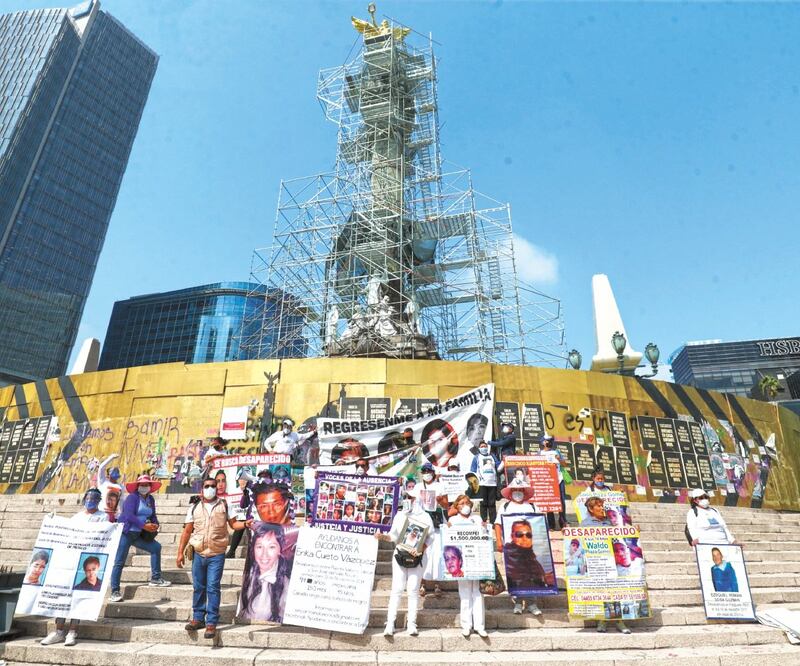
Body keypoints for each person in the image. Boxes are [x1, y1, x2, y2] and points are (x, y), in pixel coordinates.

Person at [177, 476, 251, 638]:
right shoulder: (194, 507)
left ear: (217, 488)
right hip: (198, 552)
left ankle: (211, 622)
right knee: (198, 587)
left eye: (212, 486)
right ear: (202, 489)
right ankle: (198, 618)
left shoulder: (224, 504)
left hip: (217, 553)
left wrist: (246, 523)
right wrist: (179, 553)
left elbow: (234, 524)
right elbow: (187, 531)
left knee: (212, 587)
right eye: (207, 486)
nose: (210, 488)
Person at [41, 488, 113, 647]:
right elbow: (67, 531)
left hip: (86, 560)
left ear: (99, 500)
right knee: (63, 595)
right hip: (71, 559)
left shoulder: (103, 517)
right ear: (84, 499)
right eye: (88, 497)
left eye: (94, 498)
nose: (90, 500)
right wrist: (52, 521)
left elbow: (103, 534)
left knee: (79, 596)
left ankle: (72, 632)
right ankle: (59, 631)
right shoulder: (77, 517)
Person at [376, 486, 434, 637]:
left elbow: (431, 536)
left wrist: (421, 548)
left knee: (413, 589)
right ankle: (390, 623)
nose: (408, 500)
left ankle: (412, 624)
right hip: (400, 555)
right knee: (397, 588)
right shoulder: (399, 515)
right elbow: (393, 536)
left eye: (411, 497)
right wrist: (383, 537)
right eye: (406, 497)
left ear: (417, 499)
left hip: (417, 557)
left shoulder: (425, 516)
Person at [109, 475, 171, 602]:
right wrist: (144, 525)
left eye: (146, 485)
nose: (144, 487)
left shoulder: (150, 499)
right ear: (137, 486)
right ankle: (115, 591)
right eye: (141, 485)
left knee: (156, 547)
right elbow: (128, 515)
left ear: (150, 487)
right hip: (126, 533)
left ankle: (155, 578)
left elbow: (153, 515)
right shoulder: (132, 497)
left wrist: (155, 524)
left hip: (138, 534)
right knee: (119, 562)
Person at [493, 484, 542, 616]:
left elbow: (540, 523)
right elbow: (497, 525)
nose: (518, 492)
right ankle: (518, 603)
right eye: (515, 490)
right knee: (515, 575)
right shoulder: (505, 507)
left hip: (530, 547)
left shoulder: (532, 506)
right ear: (510, 492)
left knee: (531, 574)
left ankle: (532, 604)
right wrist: (499, 541)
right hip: (512, 549)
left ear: (525, 492)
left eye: (521, 490)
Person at [447, 494, 488, 638]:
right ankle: (466, 625)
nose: (465, 506)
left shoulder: (477, 519)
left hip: (476, 559)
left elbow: (484, 536)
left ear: (471, 505)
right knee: (464, 592)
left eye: (467, 503)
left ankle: (480, 625)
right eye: (461, 503)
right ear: (456, 507)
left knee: (477, 592)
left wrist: (485, 528)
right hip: (461, 561)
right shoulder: (453, 520)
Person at [238, 522, 292, 622]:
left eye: (271, 547)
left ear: (280, 549)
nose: (264, 554)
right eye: (259, 547)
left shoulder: (286, 585)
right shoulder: (249, 577)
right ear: (253, 548)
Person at [417, 463, 448, 597]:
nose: (426, 473)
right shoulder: (418, 487)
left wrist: (440, 501)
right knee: (422, 552)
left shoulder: (440, 486)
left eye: (428, 471)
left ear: (433, 473)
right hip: (421, 522)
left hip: (436, 522)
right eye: (424, 471)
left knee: (437, 553)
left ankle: (437, 584)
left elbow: (446, 505)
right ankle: (422, 584)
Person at [540, 435, 568, 530]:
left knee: (561, 502)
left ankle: (563, 522)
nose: (548, 442)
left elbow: (565, 464)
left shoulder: (557, 452)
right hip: (547, 482)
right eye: (546, 441)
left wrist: (559, 459)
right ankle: (551, 525)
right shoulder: (540, 453)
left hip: (559, 480)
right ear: (542, 442)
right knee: (549, 503)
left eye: (550, 441)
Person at [471, 441, 503, 524]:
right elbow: (472, 471)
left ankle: (493, 522)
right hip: (482, 484)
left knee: (492, 504)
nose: (484, 448)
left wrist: (503, 462)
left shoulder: (492, 456)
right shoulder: (476, 457)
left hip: (492, 483)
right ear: (479, 448)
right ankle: (484, 521)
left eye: (485, 446)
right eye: (482, 446)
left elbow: (498, 466)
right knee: (483, 503)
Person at [227, 471, 253, 559]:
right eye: (241, 479)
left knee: (250, 526)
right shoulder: (234, 491)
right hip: (241, 517)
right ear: (238, 480)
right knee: (240, 525)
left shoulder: (253, 490)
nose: (243, 481)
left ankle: (252, 553)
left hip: (252, 517)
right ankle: (231, 551)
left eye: (245, 479)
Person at [96, 453, 123, 521]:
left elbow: (122, 501)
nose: (115, 472)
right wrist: (111, 458)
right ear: (108, 475)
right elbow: (101, 468)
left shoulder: (120, 486)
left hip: (114, 516)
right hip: (102, 514)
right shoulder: (103, 482)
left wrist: (121, 514)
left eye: (116, 471)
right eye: (113, 471)